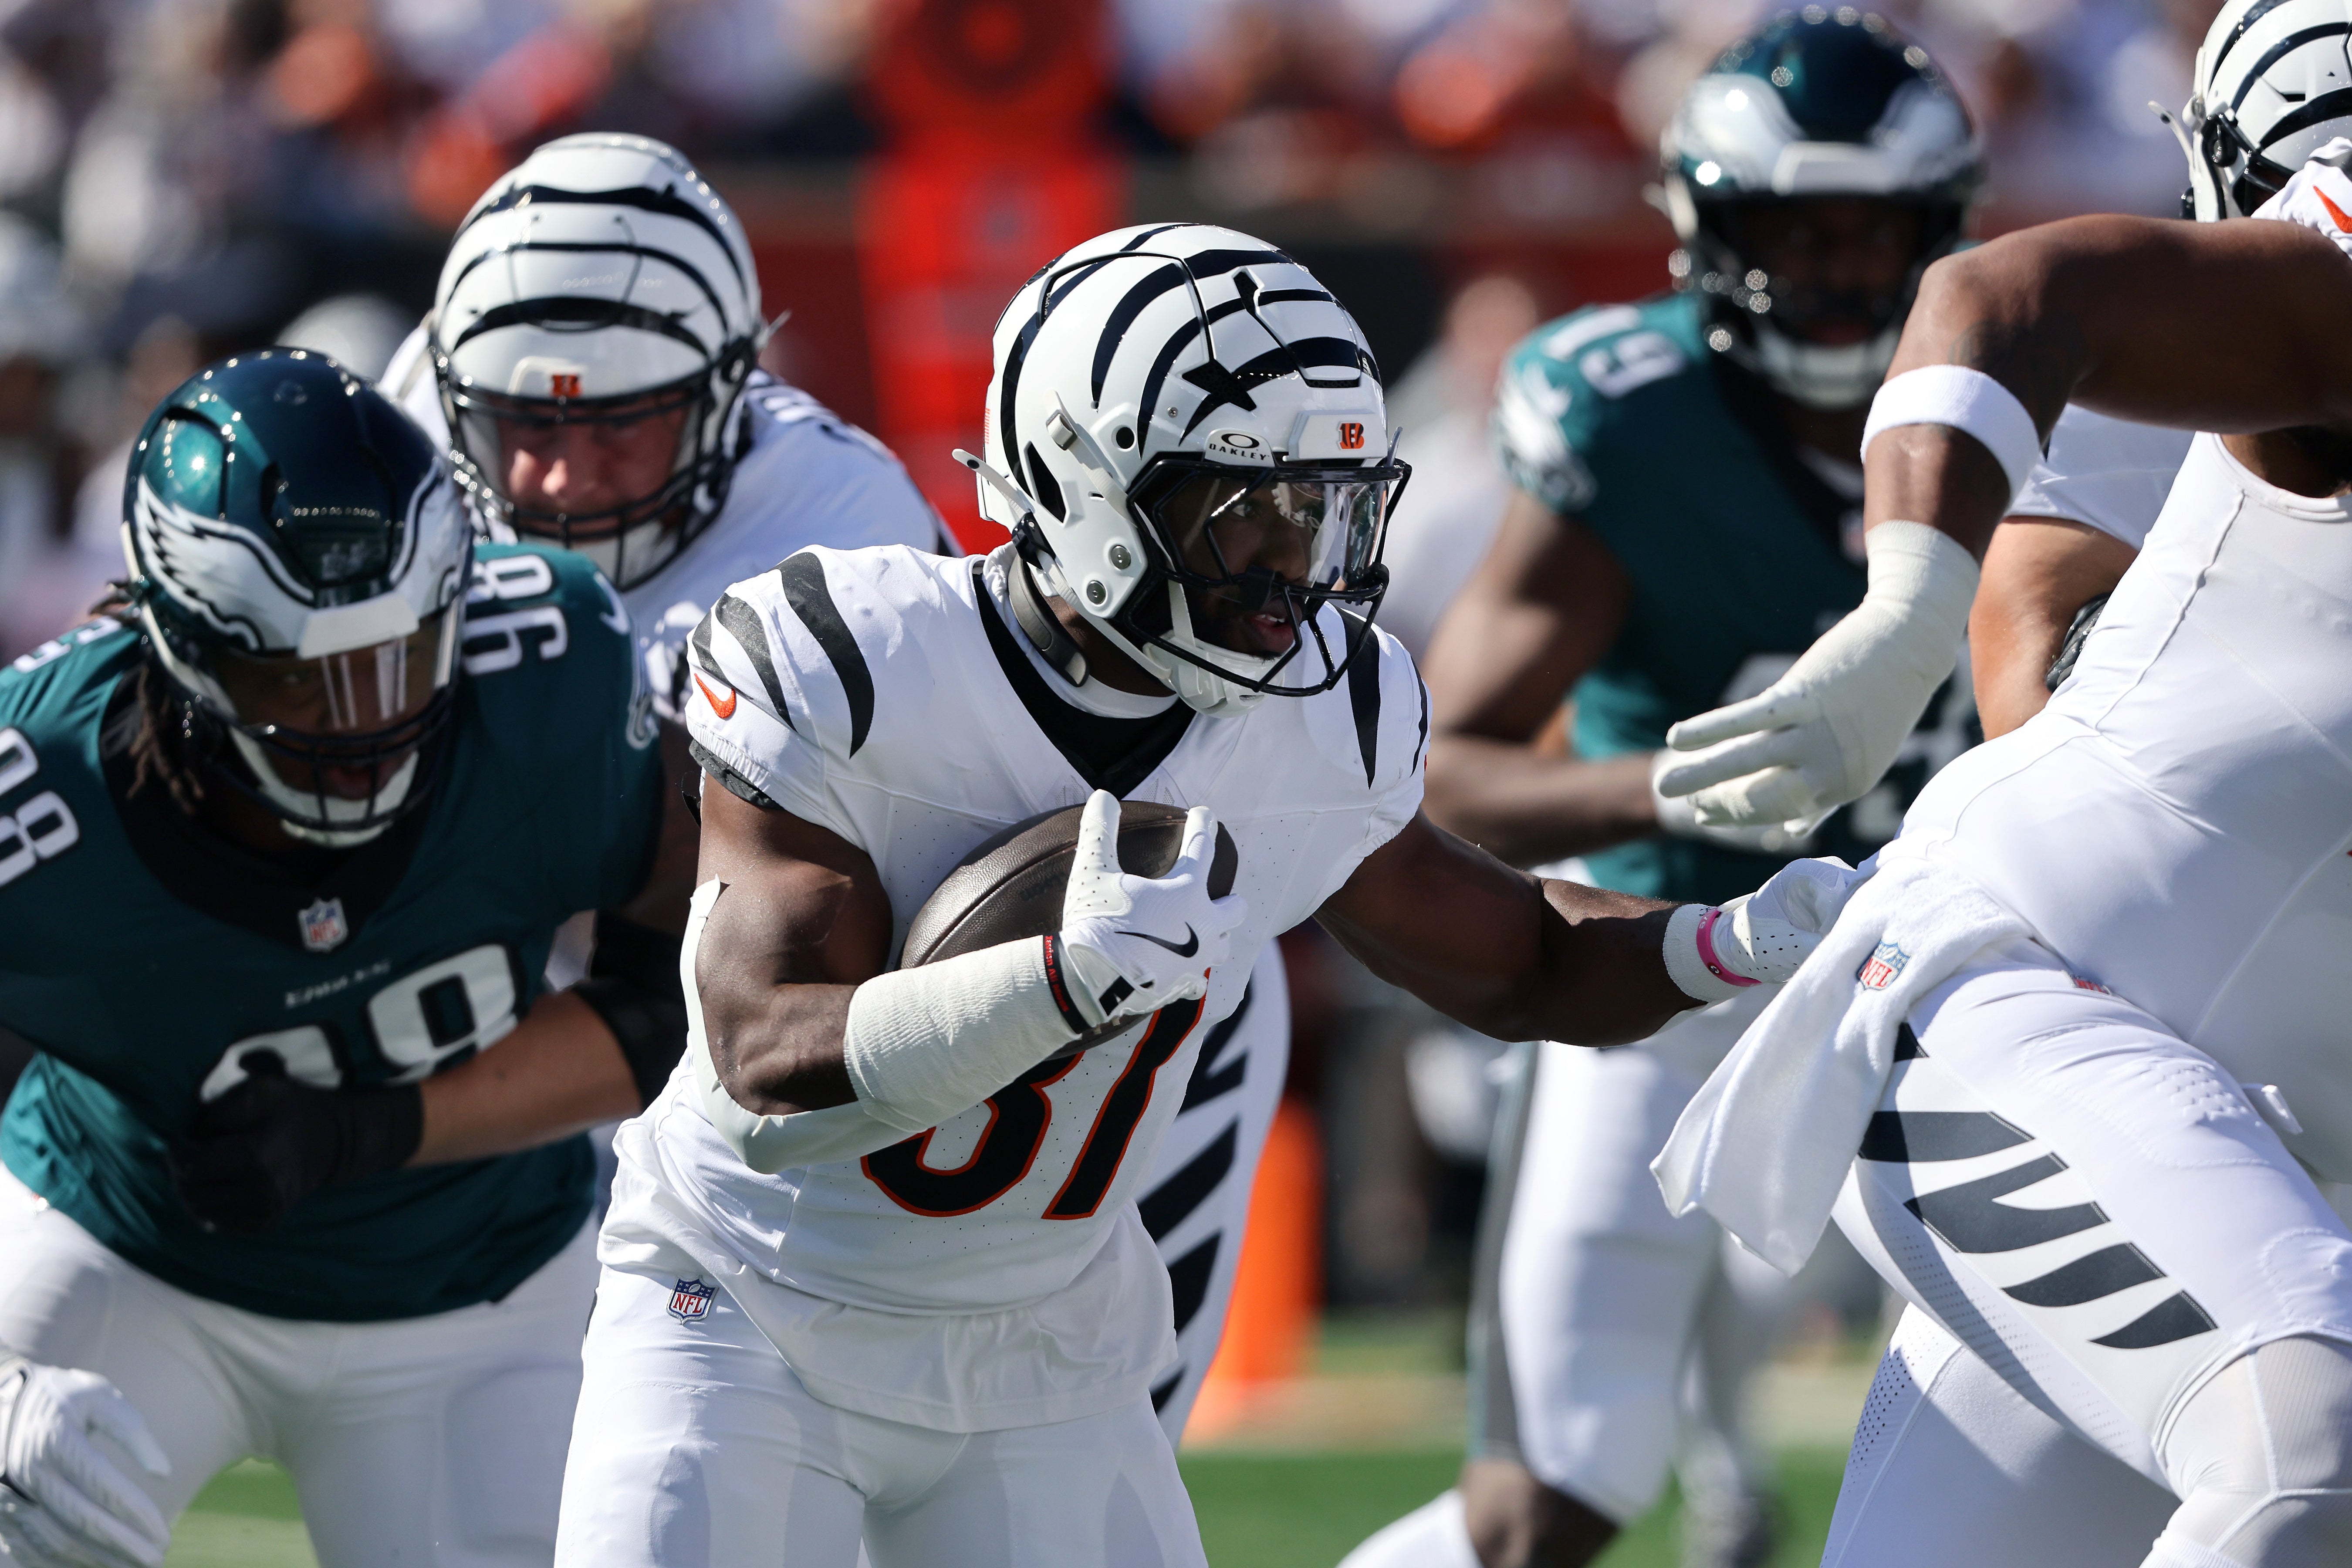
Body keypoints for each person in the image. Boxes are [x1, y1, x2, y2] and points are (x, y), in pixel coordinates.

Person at [548, 221, 1848, 1568]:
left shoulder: (1322, 719)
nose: (1299, 576)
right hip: (753, 1302)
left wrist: (1729, 943)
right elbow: (765, 1050)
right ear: (1088, 483)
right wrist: (1054, 984)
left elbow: (1522, 959)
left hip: (1049, 1352)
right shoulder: (856, 660)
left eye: (1327, 514)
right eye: (1251, 517)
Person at [379, 131, 1289, 1434]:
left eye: (624, 423)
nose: (565, 475)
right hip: (737, 1056)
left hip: (1078, 1013)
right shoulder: (416, 427)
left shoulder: (822, 531)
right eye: (527, 422)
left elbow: (692, 960)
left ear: (729, 392)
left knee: (1083, 1447)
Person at [1652, 95, 2352, 1568]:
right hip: (2020, 996)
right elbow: (2009, 292)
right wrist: (1911, 605)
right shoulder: (2298, 316)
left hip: (2274, 1151)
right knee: (2313, 1448)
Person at [1342, 16, 1981, 1568]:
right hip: (1669, 982)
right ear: (1705, 228)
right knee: (1551, 1499)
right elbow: (1444, 768)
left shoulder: (2044, 402)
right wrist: (1678, 785)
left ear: (1941, 230)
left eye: (1872, 232)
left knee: (2087, 1439)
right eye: (1795, 233)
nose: (1837, 275)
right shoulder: (1637, 419)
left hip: (1966, 982)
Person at [0, 351, 676, 1568]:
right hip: (123, 1250)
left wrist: (373, 1130)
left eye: (401, 655)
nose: (365, 721)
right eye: (296, 677)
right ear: (178, 645)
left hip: (477, 1283)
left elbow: (669, 1008)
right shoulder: (38, 791)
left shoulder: (550, 665)